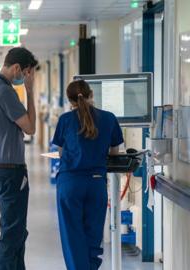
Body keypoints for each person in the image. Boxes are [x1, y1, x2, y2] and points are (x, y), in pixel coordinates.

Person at [0, 47, 38, 269]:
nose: (27, 78)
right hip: (10, 171)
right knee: (12, 234)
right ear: (16, 68)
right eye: (27, 73)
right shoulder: (5, 92)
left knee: (16, 230)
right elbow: (30, 127)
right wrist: (30, 92)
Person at [52, 80, 124, 270]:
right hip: (96, 183)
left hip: (70, 184)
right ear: (91, 94)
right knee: (93, 236)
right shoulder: (109, 118)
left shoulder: (65, 120)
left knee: (72, 235)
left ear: (70, 100)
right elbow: (114, 152)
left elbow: (60, 152)